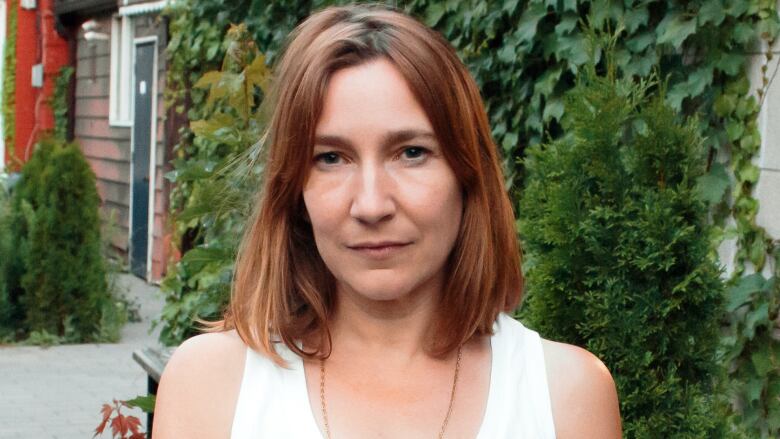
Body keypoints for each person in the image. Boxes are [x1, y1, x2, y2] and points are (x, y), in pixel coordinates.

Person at [153, 4, 622, 438]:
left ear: (467, 173)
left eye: (412, 153)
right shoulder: (210, 389)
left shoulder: (566, 397)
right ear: (294, 189)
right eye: (332, 158)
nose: (371, 204)